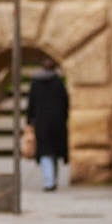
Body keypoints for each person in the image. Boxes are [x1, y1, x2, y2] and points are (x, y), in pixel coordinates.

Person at [25, 57, 70, 191]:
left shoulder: (36, 83)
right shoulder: (58, 82)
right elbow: (65, 102)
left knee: (45, 152)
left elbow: (31, 103)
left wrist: (29, 121)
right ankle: (52, 180)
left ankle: (49, 181)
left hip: (41, 122)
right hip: (57, 122)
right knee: (54, 152)